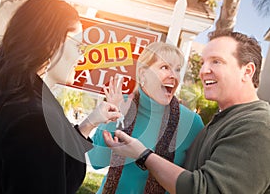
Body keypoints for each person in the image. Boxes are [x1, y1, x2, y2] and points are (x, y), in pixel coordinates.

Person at [0, 0, 121, 194]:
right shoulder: (34, 121)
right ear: (51, 43)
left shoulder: (18, 96)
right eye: (79, 46)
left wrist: (89, 123)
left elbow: (56, 166)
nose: (82, 56)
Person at [103, 31, 270, 194]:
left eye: (216, 61)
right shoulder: (221, 122)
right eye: (203, 62)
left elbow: (208, 189)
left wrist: (143, 155)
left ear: (247, 71)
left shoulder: (259, 125)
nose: (203, 71)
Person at [88, 42, 204, 194]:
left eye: (177, 69)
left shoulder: (192, 123)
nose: (173, 76)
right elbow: (96, 161)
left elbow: (193, 184)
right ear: (143, 74)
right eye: (165, 67)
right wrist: (113, 117)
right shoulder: (121, 103)